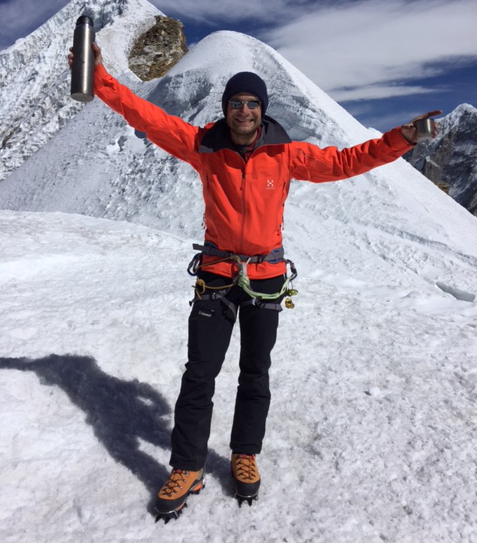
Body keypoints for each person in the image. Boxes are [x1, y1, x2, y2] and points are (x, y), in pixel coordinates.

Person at [69, 42, 440, 520]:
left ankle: (245, 454)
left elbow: (349, 161)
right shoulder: (204, 148)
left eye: (251, 104)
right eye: (235, 104)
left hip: (265, 278)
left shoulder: (286, 155)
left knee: (254, 373)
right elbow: (145, 117)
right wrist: (97, 77)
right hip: (218, 276)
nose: (243, 111)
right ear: (225, 110)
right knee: (199, 374)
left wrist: (403, 138)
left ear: (262, 112)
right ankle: (187, 465)